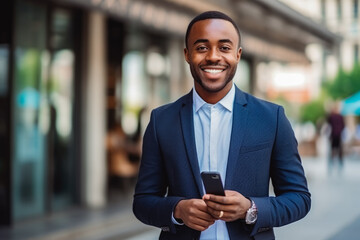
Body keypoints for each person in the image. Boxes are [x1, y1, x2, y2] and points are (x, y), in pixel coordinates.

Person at [133, 11, 311, 240]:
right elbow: (143, 202)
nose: (213, 57)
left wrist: (250, 209)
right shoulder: (161, 121)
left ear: (238, 55)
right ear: (187, 54)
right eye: (202, 47)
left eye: (224, 48)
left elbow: (299, 198)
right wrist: (177, 210)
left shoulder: (272, 118)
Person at [327, 105, 345, 170]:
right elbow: (343, 126)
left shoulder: (331, 116)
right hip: (339, 135)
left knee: (333, 149)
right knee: (339, 149)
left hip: (333, 135)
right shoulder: (340, 116)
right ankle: (340, 163)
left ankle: (332, 162)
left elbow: (328, 125)